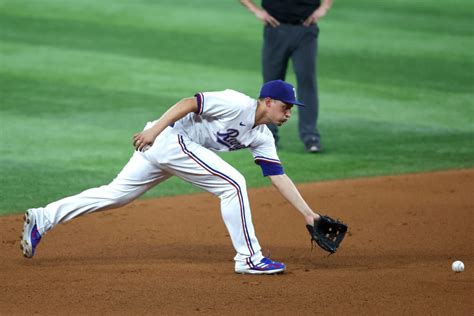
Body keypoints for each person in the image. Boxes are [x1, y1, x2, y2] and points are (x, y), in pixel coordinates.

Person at [21, 80, 323, 275]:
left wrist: (309, 215)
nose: (288, 113)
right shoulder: (237, 103)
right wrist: (154, 130)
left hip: (174, 149)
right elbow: (189, 103)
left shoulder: (262, 136)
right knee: (233, 184)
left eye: (291, 110)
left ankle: (42, 218)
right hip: (167, 139)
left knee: (115, 195)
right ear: (267, 101)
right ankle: (249, 258)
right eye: (286, 107)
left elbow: (277, 175)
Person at [239, 0, 333, 153]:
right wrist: (256, 10)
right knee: (271, 86)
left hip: (306, 29)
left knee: (307, 82)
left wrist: (325, 6)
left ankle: (310, 137)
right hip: (275, 28)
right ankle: (268, 136)